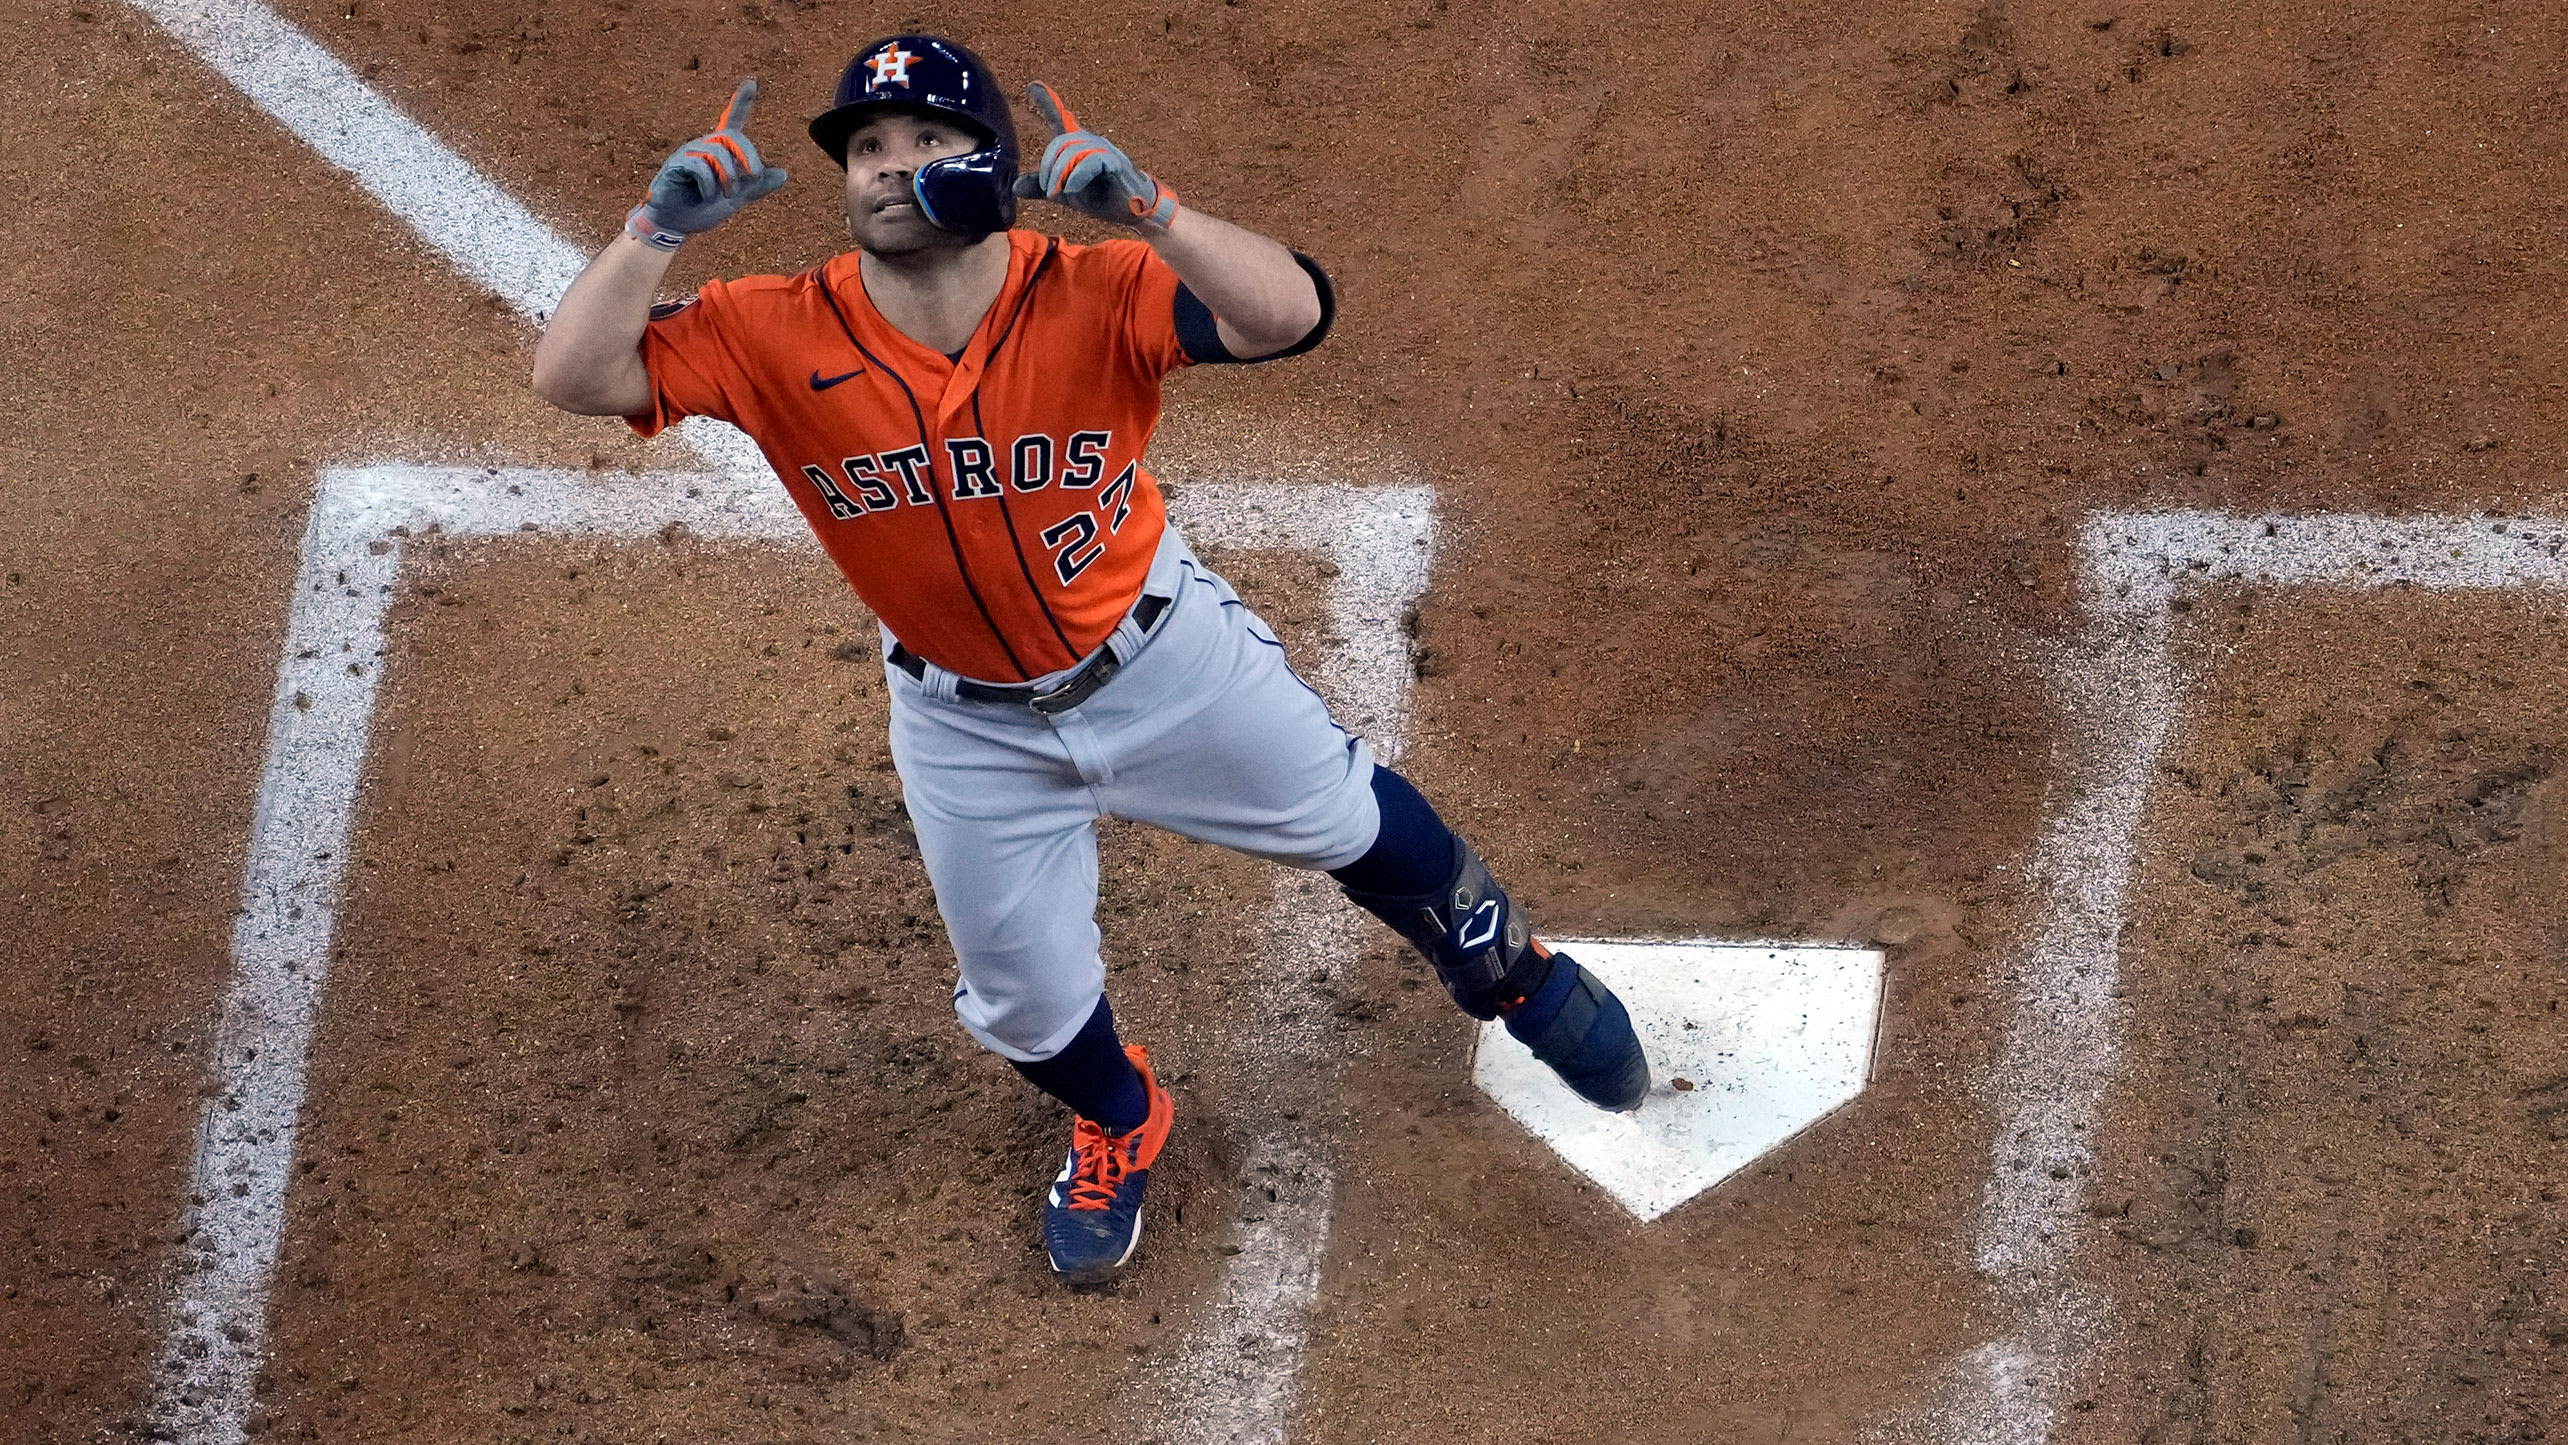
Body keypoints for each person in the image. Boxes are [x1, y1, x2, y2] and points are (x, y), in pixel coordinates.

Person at [530, 35, 1649, 1286]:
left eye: (926, 140)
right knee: (1020, 1005)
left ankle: (1506, 968)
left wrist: (1151, 213)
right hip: (968, 727)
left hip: (1163, 660)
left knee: (1349, 816)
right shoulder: (767, 329)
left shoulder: (1092, 288)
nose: (888, 168)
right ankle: (1122, 1116)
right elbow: (573, 377)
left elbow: (1290, 313)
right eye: (866, 148)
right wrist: (650, 233)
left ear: (994, 166)